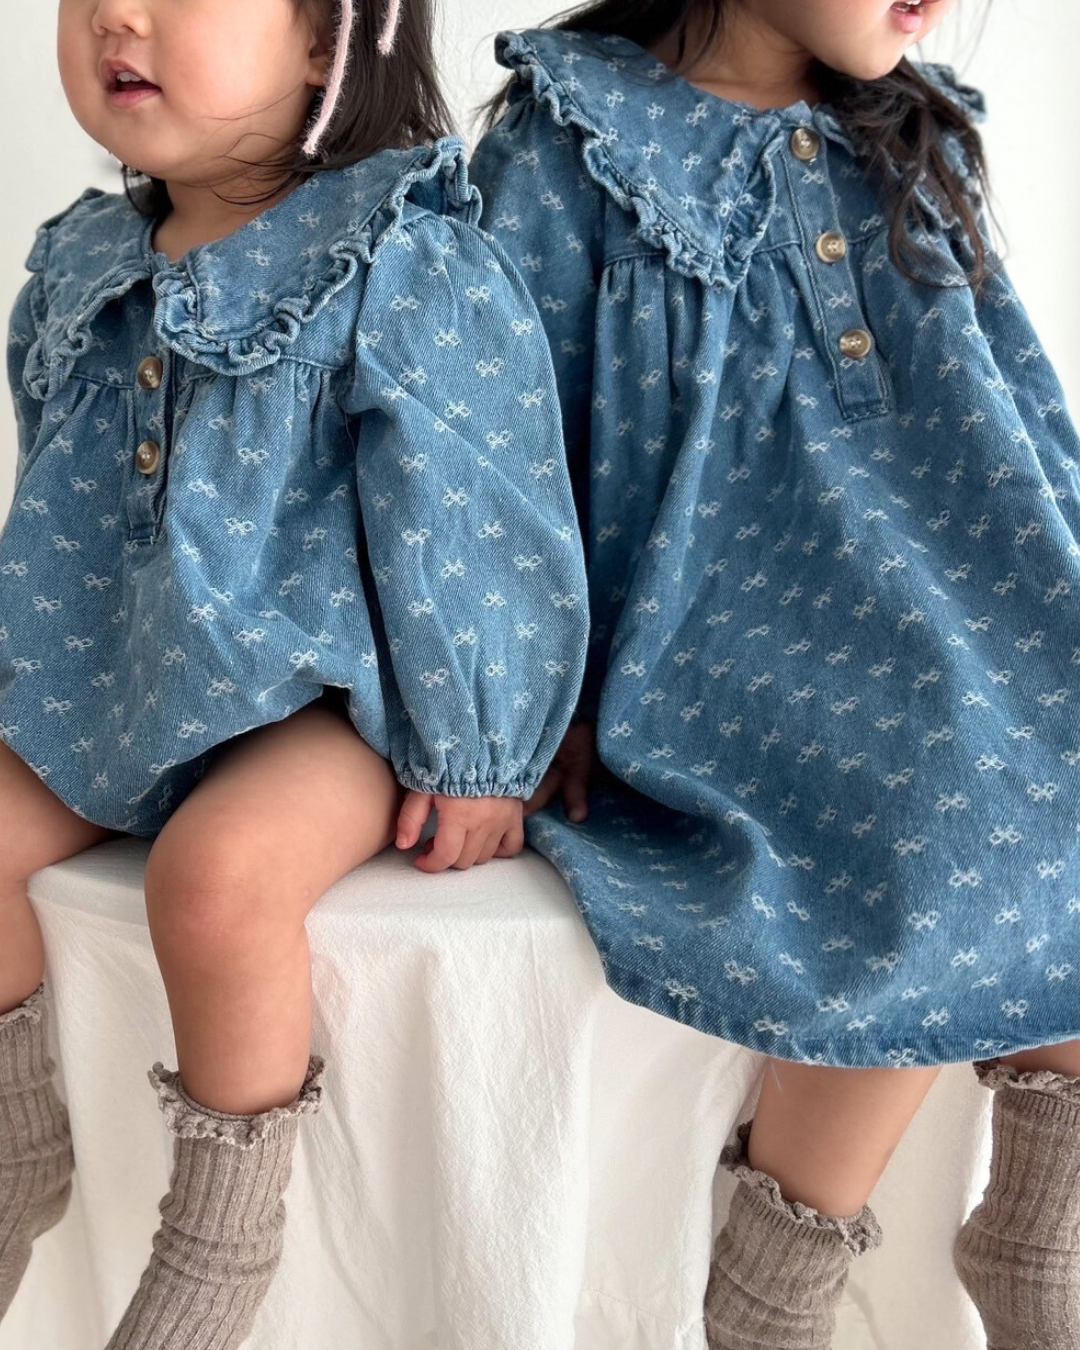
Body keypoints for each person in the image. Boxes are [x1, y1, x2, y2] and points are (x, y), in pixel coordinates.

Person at [470, 2, 1080, 1346]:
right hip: (721, 640)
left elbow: (1024, 419)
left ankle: (1043, 1232)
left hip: (970, 599)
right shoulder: (570, 146)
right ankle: (776, 1287)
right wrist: (538, 691)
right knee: (944, 809)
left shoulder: (920, 141)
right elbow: (501, 448)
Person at [0, 0, 588, 1344]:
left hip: (325, 697)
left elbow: (476, 510)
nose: (118, 16)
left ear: (329, 41)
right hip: (121, 673)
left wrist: (480, 749)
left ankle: (220, 1231)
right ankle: (16, 1138)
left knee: (216, 881)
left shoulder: (397, 257)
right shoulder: (83, 262)